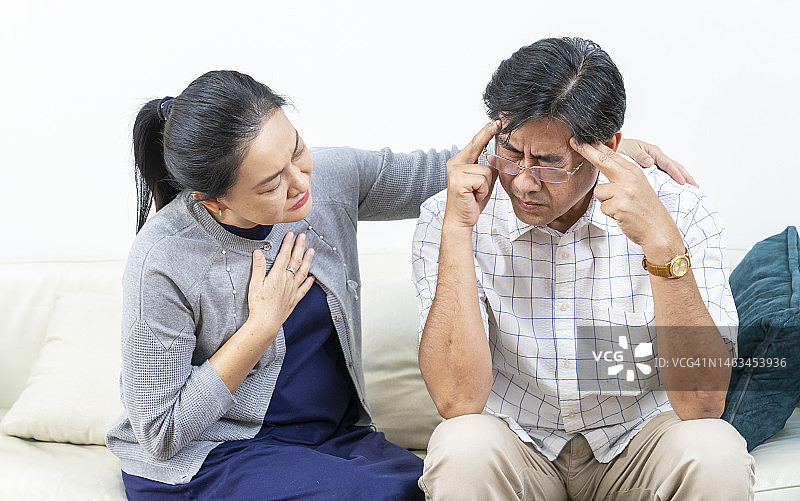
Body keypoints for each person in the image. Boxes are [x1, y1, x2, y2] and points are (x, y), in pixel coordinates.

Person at [106, 69, 690, 500]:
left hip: (331, 439)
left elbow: (448, 168)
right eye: (269, 185)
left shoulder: (325, 179)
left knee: (439, 485)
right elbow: (159, 431)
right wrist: (259, 328)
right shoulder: (162, 257)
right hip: (210, 456)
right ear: (210, 197)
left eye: (298, 152)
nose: (299, 183)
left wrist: (582, 157)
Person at [412, 37, 755, 500]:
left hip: (638, 442)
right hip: (520, 441)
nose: (524, 182)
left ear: (607, 148)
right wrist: (457, 231)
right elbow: (458, 401)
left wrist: (662, 243)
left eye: (550, 163)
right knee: (462, 447)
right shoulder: (452, 213)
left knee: (715, 452)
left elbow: (702, 403)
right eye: (511, 153)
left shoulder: (679, 209)